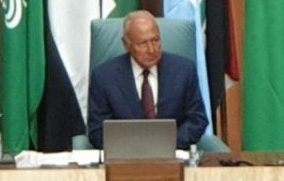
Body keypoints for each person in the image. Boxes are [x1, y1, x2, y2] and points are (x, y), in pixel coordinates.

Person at [87, 10, 208, 149]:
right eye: (143, 43)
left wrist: (166, 144)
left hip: (173, 151)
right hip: (125, 156)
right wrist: (138, 148)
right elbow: (97, 131)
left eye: (155, 40)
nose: (151, 50)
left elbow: (197, 120)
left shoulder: (184, 70)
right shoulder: (104, 77)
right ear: (126, 44)